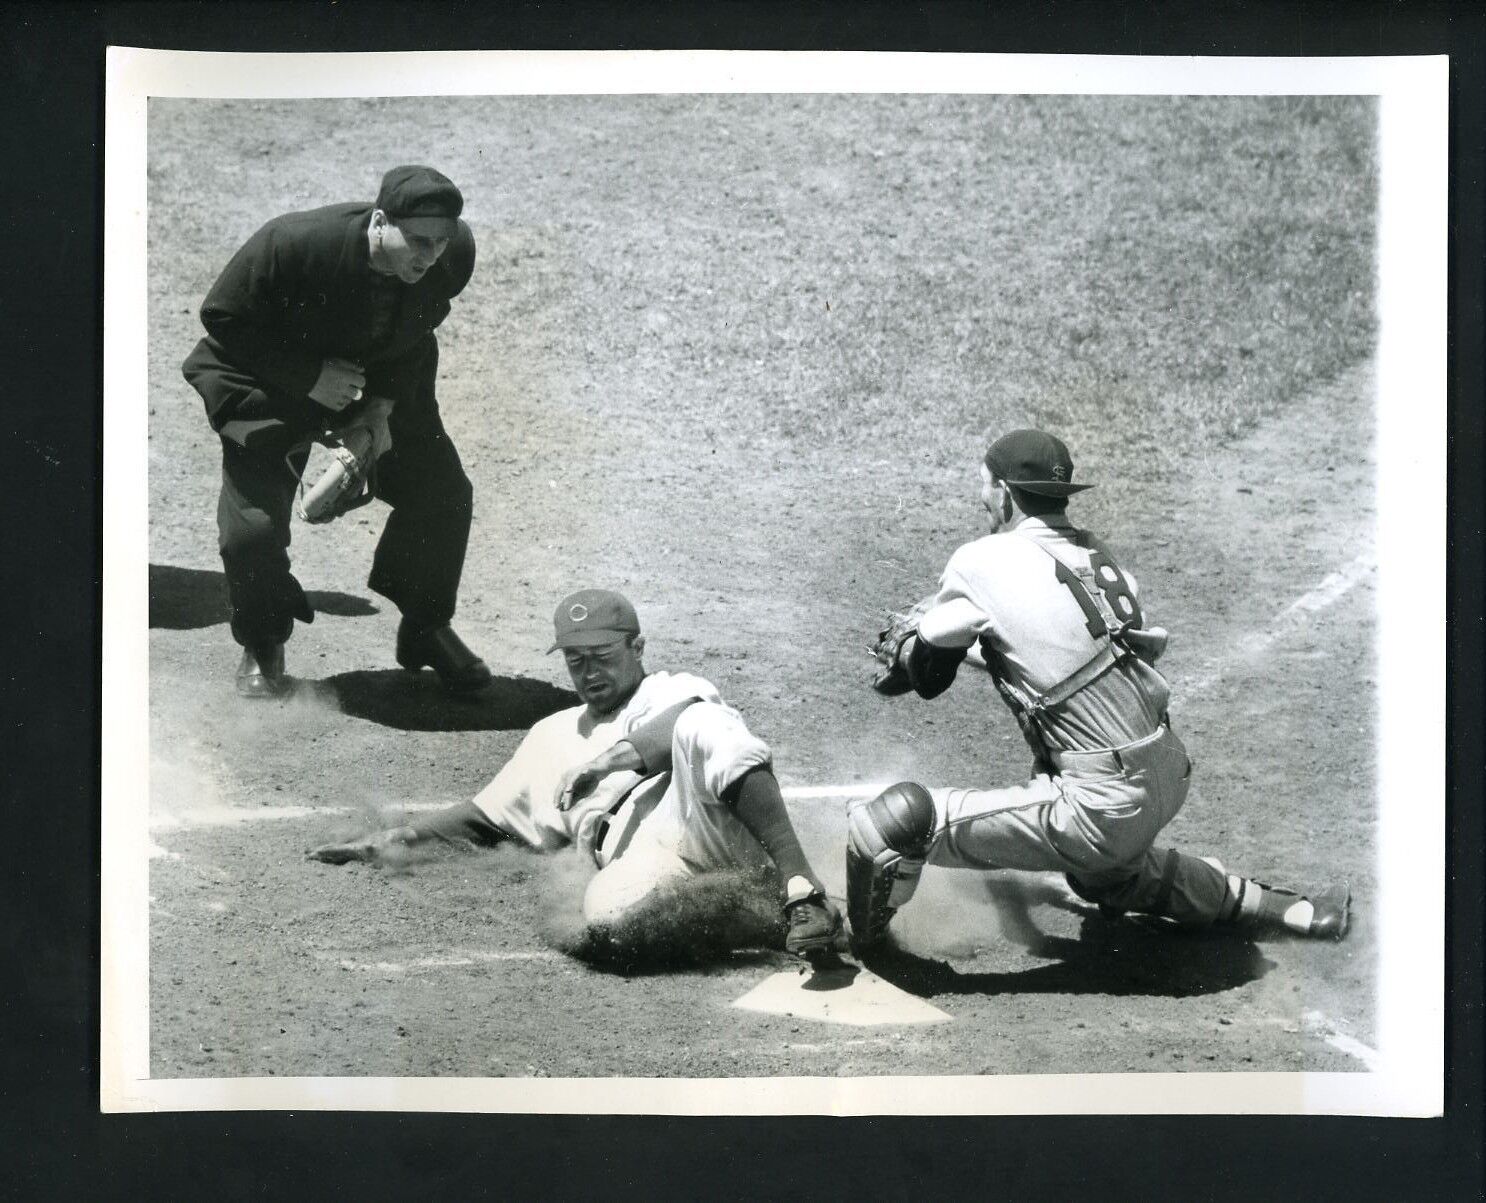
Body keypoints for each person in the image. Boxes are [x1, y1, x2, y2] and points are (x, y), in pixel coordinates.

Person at [850, 428, 1351, 953]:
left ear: (1004, 491)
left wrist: (918, 650)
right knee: (1106, 873)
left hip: (1101, 805)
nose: (983, 499)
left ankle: (863, 945)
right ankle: (1290, 911)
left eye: (984, 485)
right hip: (1164, 774)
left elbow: (927, 681)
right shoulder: (1095, 556)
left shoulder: (983, 560)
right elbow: (1053, 656)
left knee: (897, 823)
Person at [308, 589, 843, 960]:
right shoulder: (549, 734)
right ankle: (766, 918)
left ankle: (801, 889)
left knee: (708, 726)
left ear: (636, 648)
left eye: (601, 656)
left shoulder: (673, 689)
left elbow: (687, 725)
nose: (588, 673)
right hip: (641, 857)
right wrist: (399, 837)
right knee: (606, 924)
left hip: (701, 816)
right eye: (574, 660)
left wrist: (606, 761)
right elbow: (483, 819)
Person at [182, 165, 491, 698]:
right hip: (269, 380)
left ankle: (424, 627)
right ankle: (262, 639)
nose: (429, 255)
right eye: (417, 241)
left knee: (442, 494)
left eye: (439, 243)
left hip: (375, 377)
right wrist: (309, 378)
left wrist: (378, 413)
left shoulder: (450, 255)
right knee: (250, 531)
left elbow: (416, 330)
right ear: (378, 223)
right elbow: (223, 316)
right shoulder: (293, 243)